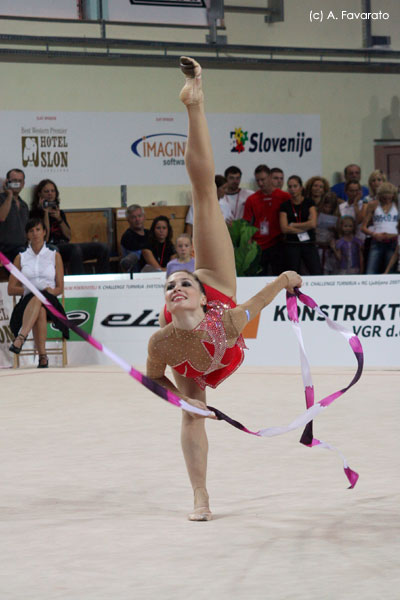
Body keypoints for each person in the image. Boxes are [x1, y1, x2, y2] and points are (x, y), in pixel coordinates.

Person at [146, 57, 302, 522]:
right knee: (193, 413)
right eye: (170, 284)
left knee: (203, 193)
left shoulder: (222, 310)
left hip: (219, 294)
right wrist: (176, 396)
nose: (175, 286)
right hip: (194, 355)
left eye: (181, 282)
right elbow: (155, 379)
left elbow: (257, 301)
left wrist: (285, 280)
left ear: (198, 291)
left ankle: (195, 102)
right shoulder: (165, 338)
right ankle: (201, 496)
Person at [7, 217, 69, 368]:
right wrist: (28, 289)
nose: (34, 233)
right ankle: (43, 356)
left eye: (38, 230)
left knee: (41, 298)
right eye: (31, 230)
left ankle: (21, 338)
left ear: (44, 232)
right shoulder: (20, 258)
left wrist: (51, 291)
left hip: (50, 301)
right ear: (27, 235)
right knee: (38, 305)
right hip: (28, 301)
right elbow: (11, 289)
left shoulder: (54, 255)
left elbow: (60, 287)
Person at [30, 179, 110, 275]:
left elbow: (68, 236)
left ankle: (103, 281)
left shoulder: (60, 213)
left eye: (53, 191)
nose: (50, 194)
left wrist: (59, 219)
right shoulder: (34, 214)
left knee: (102, 248)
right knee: (75, 249)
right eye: (46, 191)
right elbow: (44, 239)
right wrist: (45, 213)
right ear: (40, 194)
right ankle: (79, 283)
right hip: (50, 248)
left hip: (65, 245)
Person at [243, 164, 290, 275]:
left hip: (279, 243)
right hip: (258, 245)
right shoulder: (252, 199)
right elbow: (247, 223)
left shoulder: (284, 196)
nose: (260, 183)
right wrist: (249, 244)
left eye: (263, 179)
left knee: (281, 277)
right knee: (259, 278)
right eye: (258, 180)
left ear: (270, 177)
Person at [279, 175, 322, 275]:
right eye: (290, 187)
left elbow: (313, 223)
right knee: (292, 273)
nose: (293, 189)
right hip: (292, 244)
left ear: (301, 187)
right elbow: (284, 228)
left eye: (295, 186)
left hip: (308, 243)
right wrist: (304, 227)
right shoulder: (285, 205)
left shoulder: (309, 202)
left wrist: (293, 225)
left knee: (316, 271)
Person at [361, 182, 399, 274]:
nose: (387, 200)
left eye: (389, 197)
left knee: (389, 273)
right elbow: (363, 227)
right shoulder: (373, 205)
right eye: (384, 197)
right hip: (376, 241)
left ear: (393, 195)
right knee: (370, 272)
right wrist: (374, 234)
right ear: (380, 195)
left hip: (393, 242)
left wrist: (395, 235)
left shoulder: (397, 205)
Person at [0, 168, 29, 264]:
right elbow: (1, 217)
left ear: (23, 184)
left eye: (20, 181)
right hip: (5, 249)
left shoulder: (24, 205)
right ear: (7, 182)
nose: (17, 184)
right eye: (14, 181)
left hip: (22, 248)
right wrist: (9, 196)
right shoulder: (2, 199)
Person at [120, 204, 150, 273]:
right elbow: (142, 255)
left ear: (144, 217)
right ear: (128, 220)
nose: (137, 219)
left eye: (139, 216)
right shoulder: (127, 236)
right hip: (136, 275)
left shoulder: (149, 233)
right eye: (133, 217)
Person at [315, 192, 339, 275]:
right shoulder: (316, 215)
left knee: (329, 271)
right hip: (318, 247)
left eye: (330, 207)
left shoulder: (337, 216)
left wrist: (335, 229)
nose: (327, 209)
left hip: (330, 249)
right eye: (326, 206)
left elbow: (340, 234)